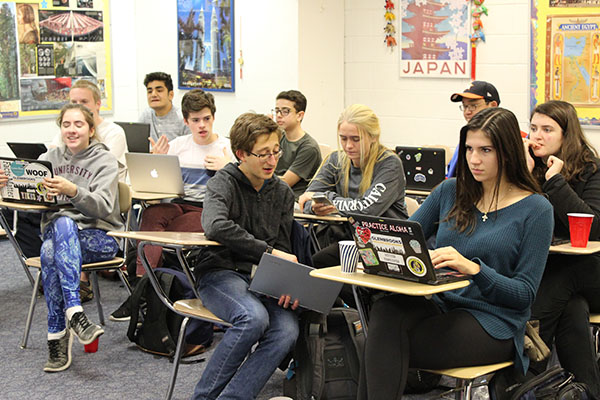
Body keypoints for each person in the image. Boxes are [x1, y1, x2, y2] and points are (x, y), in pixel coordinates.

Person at [358, 107, 554, 399]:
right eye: (469, 149)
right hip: (440, 305)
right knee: (385, 314)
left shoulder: (536, 210)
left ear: (508, 152)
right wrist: (376, 254)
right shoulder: (450, 191)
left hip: (494, 321)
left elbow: (524, 294)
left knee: (381, 344)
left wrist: (474, 269)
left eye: (485, 150)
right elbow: (403, 238)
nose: (474, 159)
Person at [0, 103, 122, 372]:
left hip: (99, 236)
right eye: (66, 124)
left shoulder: (105, 160)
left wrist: (73, 191)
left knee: (51, 249)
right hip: (60, 236)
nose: (71, 130)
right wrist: (7, 186)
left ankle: (56, 334)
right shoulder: (49, 159)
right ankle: (76, 315)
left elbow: (104, 207)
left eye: (78, 124)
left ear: (91, 129)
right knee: (57, 237)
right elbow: (32, 201)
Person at [191, 112, 299, 400]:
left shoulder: (282, 192)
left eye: (276, 151)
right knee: (253, 318)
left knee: (287, 331)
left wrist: (285, 283)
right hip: (220, 272)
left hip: (262, 279)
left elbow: (284, 247)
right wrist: (267, 251)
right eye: (262, 154)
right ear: (241, 154)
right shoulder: (223, 182)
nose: (272, 160)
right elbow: (215, 225)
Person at [109, 89, 233, 322]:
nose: (202, 125)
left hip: (206, 210)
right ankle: (146, 286)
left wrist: (227, 168)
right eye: (195, 120)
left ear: (214, 117)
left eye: (207, 118)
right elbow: (157, 192)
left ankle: (142, 292)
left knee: (163, 229)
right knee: (153, 214)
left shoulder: (225, 148)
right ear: (186, 121)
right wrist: (158, 161)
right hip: (177, 203)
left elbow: (239, 190)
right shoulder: (177, 146)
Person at [524, 100, 600, 397]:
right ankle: (588, 392)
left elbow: (593, 229)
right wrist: (522, 178)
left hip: (591, 271)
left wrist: (554, 181)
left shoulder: (590, 170)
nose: (537, 136)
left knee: (564, 272)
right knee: (570, 307)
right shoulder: (527, 168)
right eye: (533, 128)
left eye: (547, 129)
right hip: (556, 279)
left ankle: (526, 374)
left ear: (566, 135)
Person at [298, 104, 407, 267]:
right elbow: (306, 199)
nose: (348, 145)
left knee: (321, 268)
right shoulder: (335, 160)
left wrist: (328, 199)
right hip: (351, 241)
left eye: (356, 139)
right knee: (310, 265)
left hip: (387, 245)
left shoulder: (389, 164)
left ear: (373, 137)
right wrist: (314, 208)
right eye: (343, 138)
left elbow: (366, 210)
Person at [51, 79, 128, 181]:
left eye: (84, 101)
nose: (78, 106)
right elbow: (53, 159)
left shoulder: (114, 132)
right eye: (74, 102)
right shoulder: (69, 132)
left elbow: (102, 168)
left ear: (98, 104)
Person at [273, 90, 322, 200]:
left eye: (285, 111)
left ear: (299, 116)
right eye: (277, 111)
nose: (279, 115)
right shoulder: (278, 137)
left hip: (292, 200)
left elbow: (284, 183)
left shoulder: (309, 147)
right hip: (274, 194)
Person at [447, 80, 501, 178]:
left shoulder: (506, 138)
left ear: (493, 106)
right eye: (465, 106)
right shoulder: (466, 139)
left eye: (473, 106)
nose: (467, 112)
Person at [138, 72, 190, 144]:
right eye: (150, 91)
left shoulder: (182, 118)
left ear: (171, 95)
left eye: (159, 91)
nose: (153, 95)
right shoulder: (145, 116)